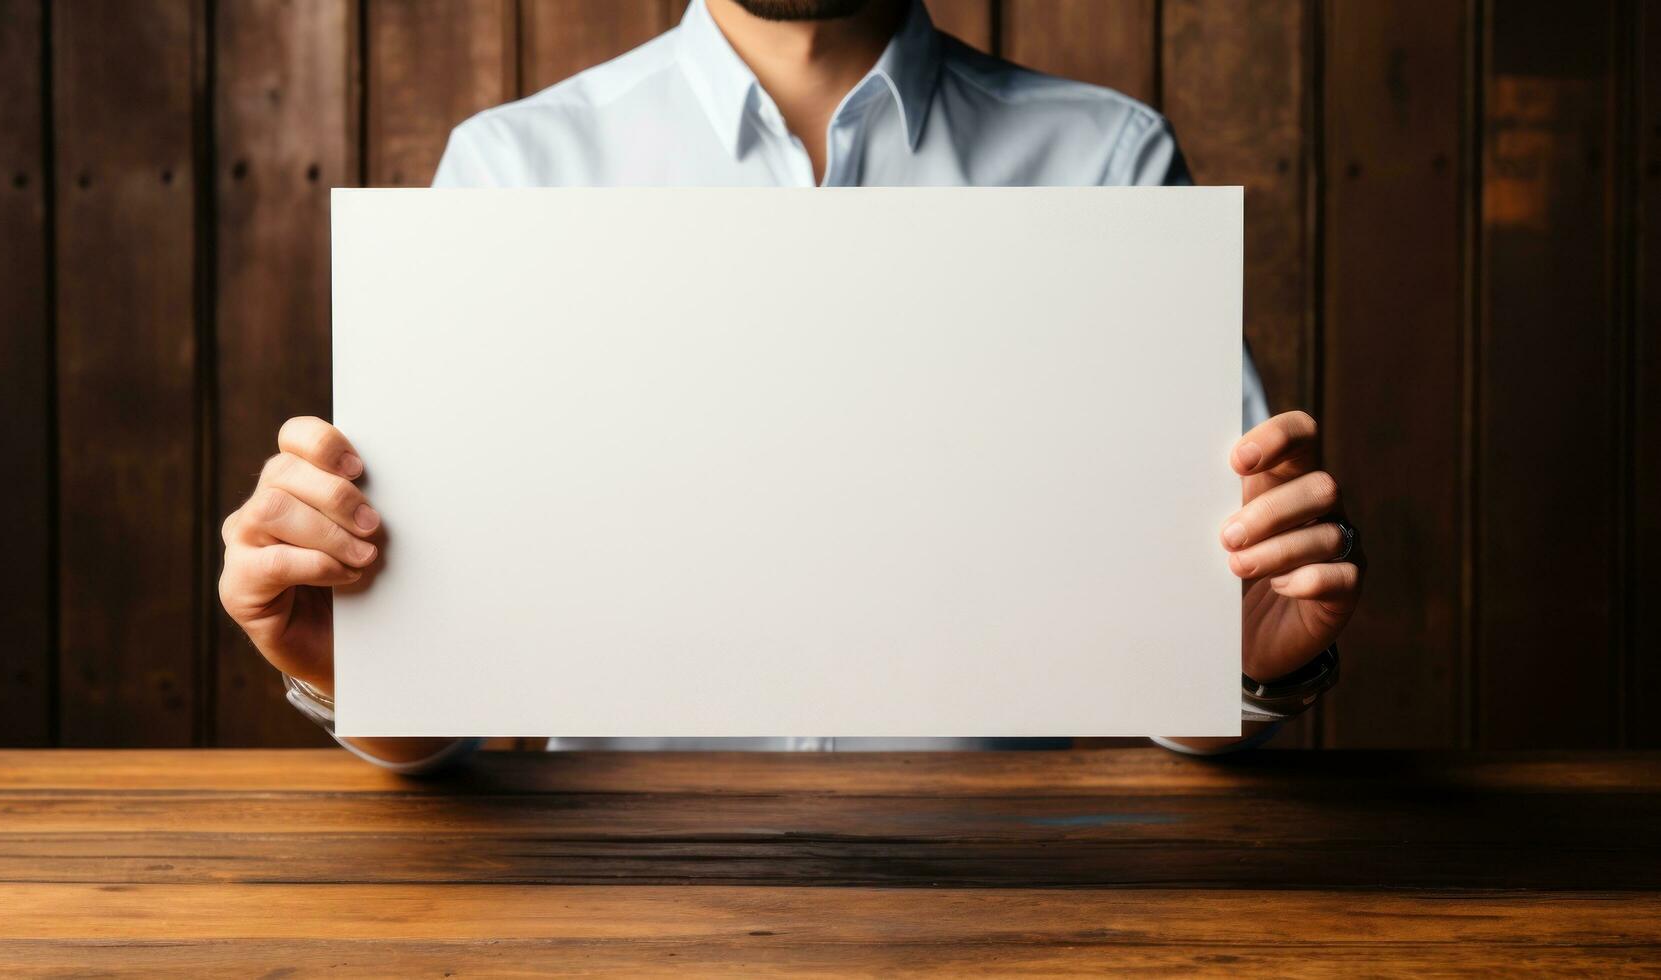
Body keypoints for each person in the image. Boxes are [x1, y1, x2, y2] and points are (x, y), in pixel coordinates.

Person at [218, 0, 1363, 771]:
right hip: (619, 925)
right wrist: (348, 665)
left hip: (1016, 916)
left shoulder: (1110, 163)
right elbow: (440, 711)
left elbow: (1203, 639)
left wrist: (1244, 665)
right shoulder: (513, 171)